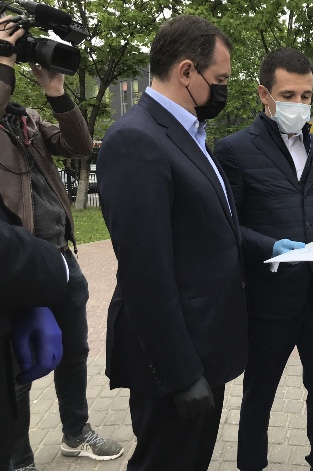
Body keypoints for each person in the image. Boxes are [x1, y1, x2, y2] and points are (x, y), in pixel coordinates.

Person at [214, 47, 313, 471]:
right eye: (289, 95)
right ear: (264, 94)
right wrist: (268, 247)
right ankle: (251, 463)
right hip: (268, 298)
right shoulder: (234, 149)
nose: (299, 104)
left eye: (306, 96)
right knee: (260, 393)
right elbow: (226, 225)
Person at [97, 15, 248, 471]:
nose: (223, 90)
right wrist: (181, 373)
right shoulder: (136, 140)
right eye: (220, 79)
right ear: (186, 71)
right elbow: (145, 274)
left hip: (203, 347)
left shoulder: (187, 133)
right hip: (175, 362)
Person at [0, 17, 123, 471]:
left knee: (74, 351)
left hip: (61, 257)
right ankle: (18, 458)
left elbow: (78, 145)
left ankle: (76, 432)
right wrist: (4, 61)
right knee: (17, 366)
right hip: (17, 265)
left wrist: (55, 90)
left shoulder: (24, 119)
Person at [0, 195, 68, 471]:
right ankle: (22, 460)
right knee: (21, 380)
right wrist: (51, 266)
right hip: (30, 265)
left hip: (23, 278)